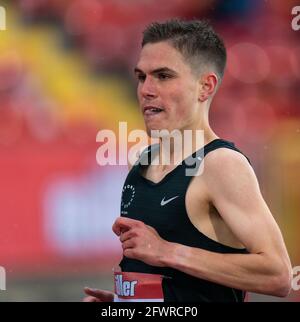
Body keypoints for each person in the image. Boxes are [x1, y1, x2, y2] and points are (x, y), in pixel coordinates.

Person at [83, 19, 292, 302]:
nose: (146, 90)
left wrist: (167, 251)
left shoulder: (221, 164)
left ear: (205, 87)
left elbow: (278, 275)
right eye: (142, 77)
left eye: (164, 76)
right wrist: (125, 302)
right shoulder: (143, 162)